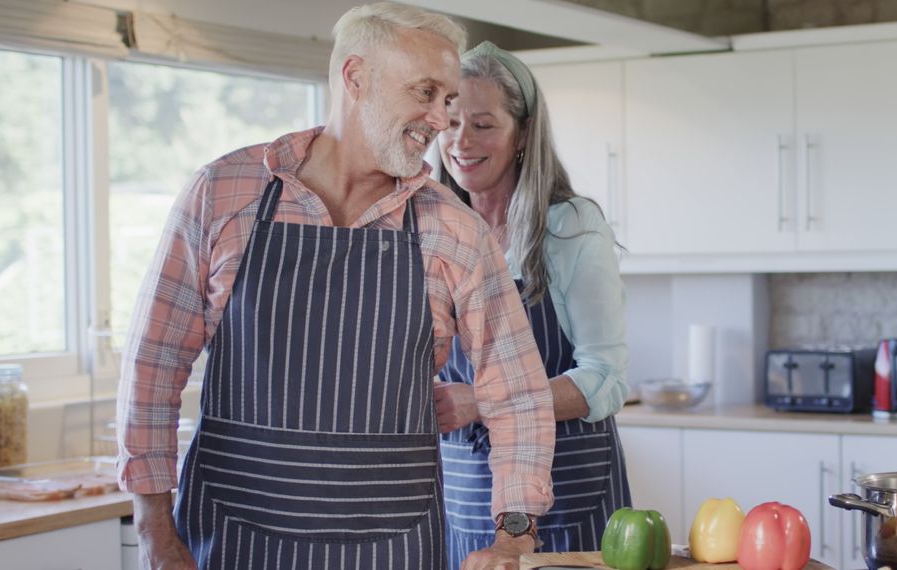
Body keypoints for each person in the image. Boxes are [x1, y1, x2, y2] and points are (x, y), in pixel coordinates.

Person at [115, 5, 555, 570]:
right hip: (230, 539)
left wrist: (514, 534)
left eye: (447, 100)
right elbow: (153, 366)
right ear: (356, 77)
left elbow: (517, 394)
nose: (442, 120)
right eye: (426, 92)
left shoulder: (454, 230)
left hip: (393, 546)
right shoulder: (223, 195)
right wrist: (155, 534)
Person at [433, 41, 631, 568]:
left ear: (522, 134)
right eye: (450, 121)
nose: (460, 141)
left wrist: (480, 400)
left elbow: (607, 378)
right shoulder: (433, 231)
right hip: (463, 497)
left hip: (567, 500)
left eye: (483, 124)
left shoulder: (568, 227)